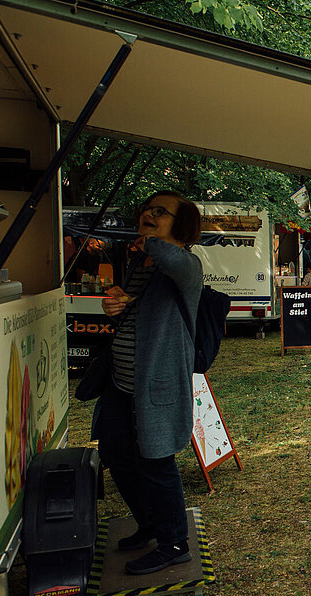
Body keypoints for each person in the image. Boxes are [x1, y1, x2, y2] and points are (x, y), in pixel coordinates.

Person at [92, 191, 203, 575]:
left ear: (181, 224)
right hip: (121, 385)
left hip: (156, 385)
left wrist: (149, 239)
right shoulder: (143, 261)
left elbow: (171, 258)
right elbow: (132, 308)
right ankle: (150, 522)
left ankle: (174, 542)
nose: (149, 215)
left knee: (157, 461)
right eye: (147, 209)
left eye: (161, 212)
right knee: (116, 453)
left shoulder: (187, 264)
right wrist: (115, 304)